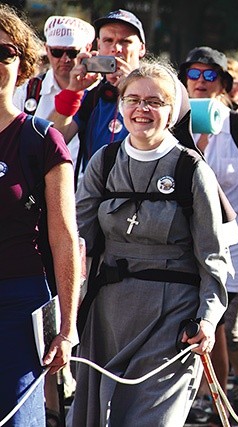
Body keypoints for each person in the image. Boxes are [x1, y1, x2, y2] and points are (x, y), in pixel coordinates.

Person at [69, 62, 228, 426]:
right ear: (121, 105)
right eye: (133, 99)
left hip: (172, 320)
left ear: (172, 111)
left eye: (155, 102)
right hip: (107, 317)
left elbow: (213, 257)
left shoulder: (192, 169)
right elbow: (79, 240)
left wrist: (206, 319)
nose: (142, 109)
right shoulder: (104, 162)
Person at [180, 46, 238, 422]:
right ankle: (210, 397)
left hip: (234, 248)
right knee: (207, 325)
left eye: (210, 75)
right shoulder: (172, 122)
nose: (200, 82)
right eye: (194, 74)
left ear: (223, 84)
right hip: (187, 246)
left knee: (227, 329)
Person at [0, 4, 81, 425]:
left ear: (24, 65)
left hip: (19, 300)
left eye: (5, 53)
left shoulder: (41, 139)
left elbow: (64, 237)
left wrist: (67, 327)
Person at [49, 9, 146, 175]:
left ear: (142, 49)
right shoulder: (92, 96)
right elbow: (50, 142)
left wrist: (132, 88)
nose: (116, 49)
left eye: (125, 41)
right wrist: (73, 91)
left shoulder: (157, 91)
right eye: (108, 40)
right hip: (95, 194)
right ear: (98, 46)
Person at [13, 15, 94, 170]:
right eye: (57, 52)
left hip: (86, 188)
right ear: (46, 49)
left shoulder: (98, 92)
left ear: (88, 49)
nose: (65, 59)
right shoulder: (29, 89)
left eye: (72, 52)